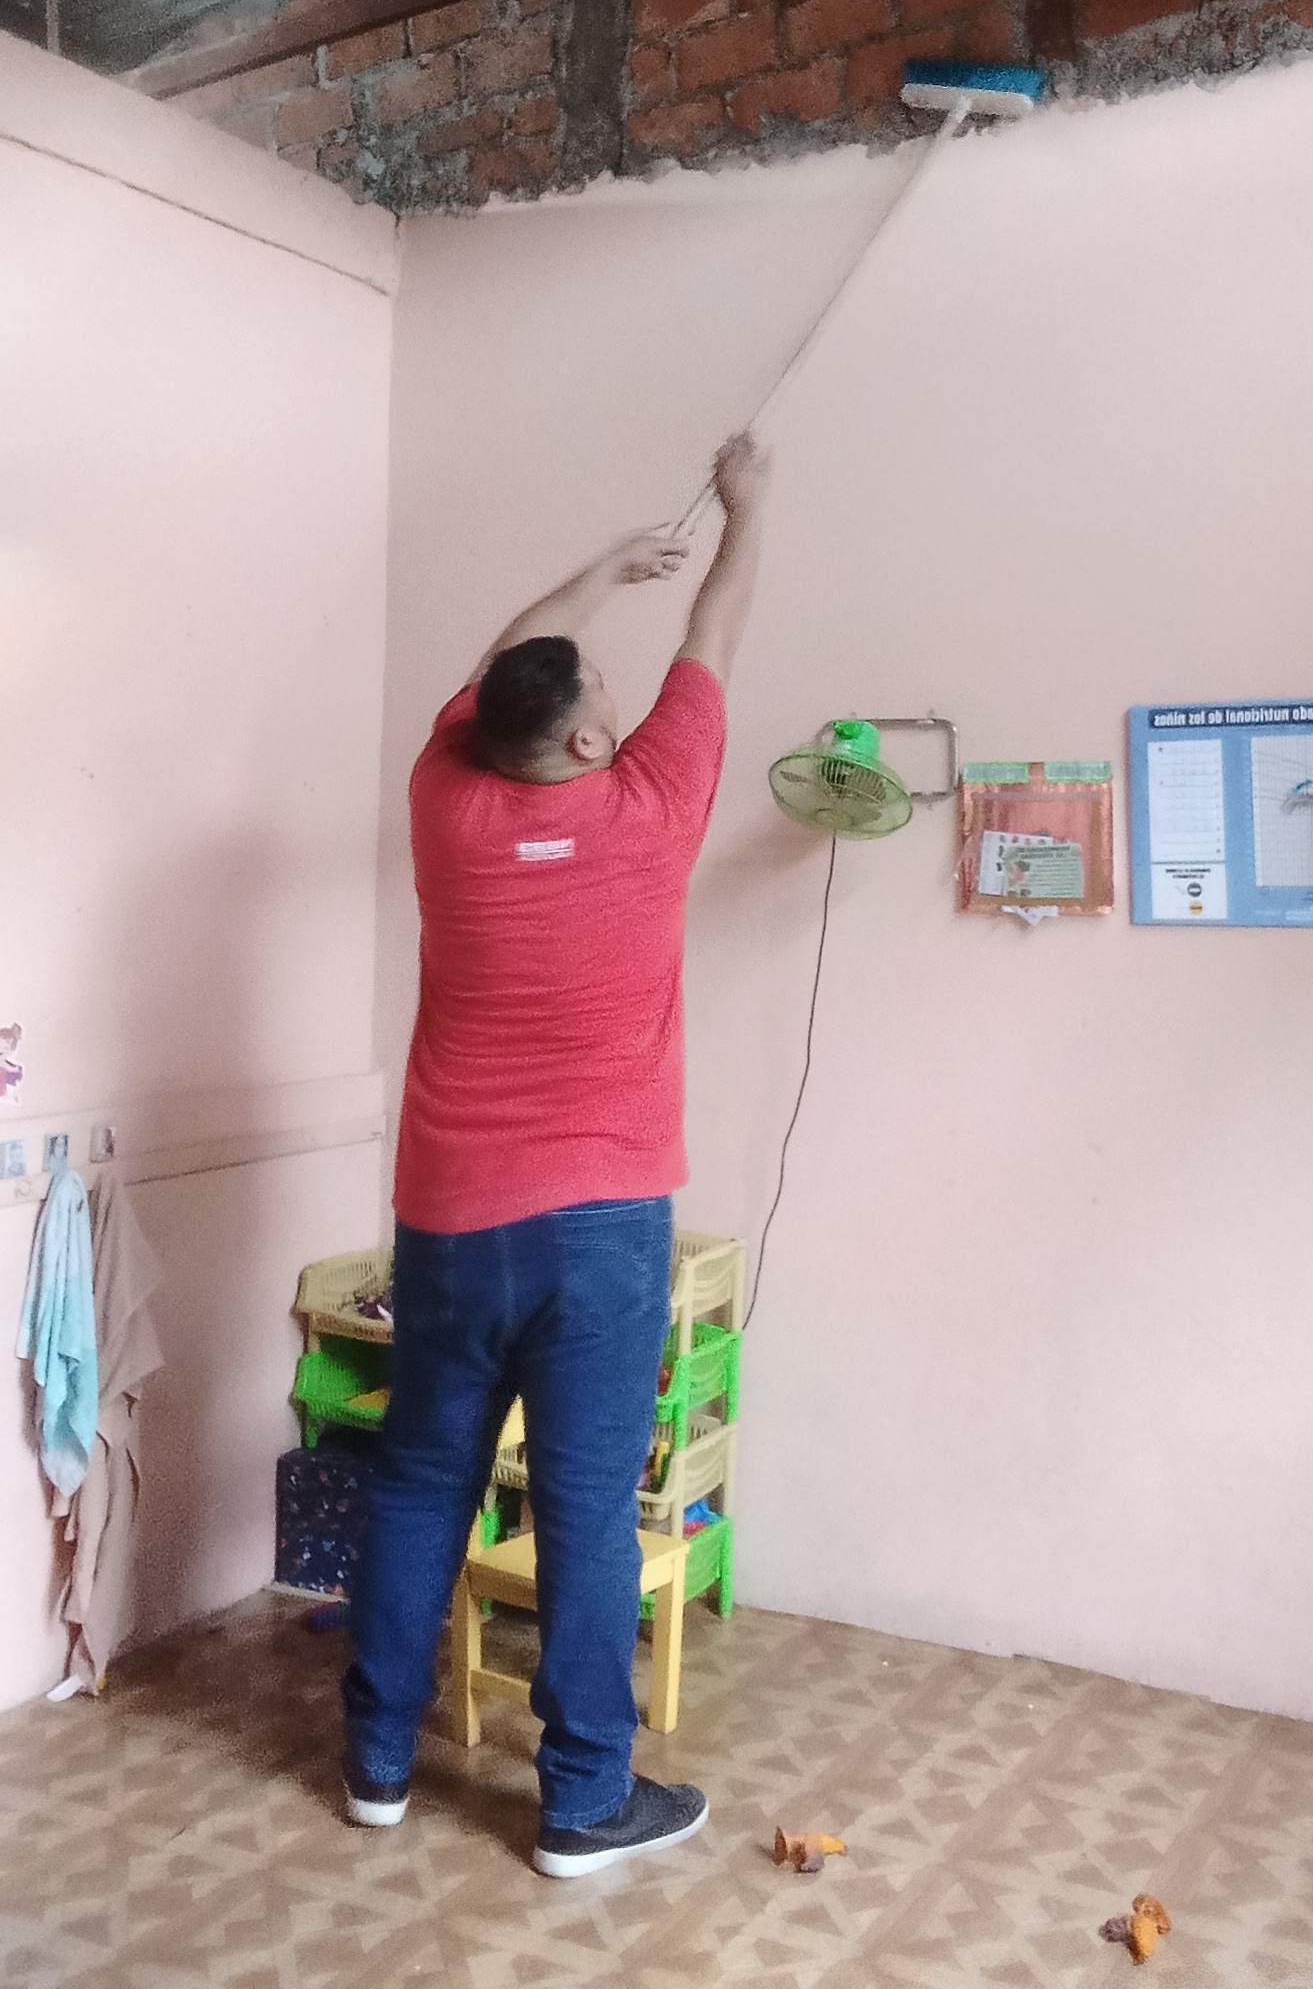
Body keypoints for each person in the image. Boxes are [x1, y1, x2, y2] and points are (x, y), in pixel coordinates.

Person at [342, 432, 771, 1878]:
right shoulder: (650, 808)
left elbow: (499, 667)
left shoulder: (447, 804)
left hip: (452, 1219)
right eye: (598, 692)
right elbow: (716, 633)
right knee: (586, 1509)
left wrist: (598, 573)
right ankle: (583, 1805)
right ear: (589, 743)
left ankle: (377, 1764)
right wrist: (748, 507)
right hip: (600, 1230)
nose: (611, 697)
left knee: (420, 1480)